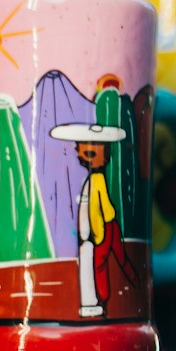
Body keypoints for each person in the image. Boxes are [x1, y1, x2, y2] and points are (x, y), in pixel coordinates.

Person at [50, 122, 137, 317]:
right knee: (121, 261)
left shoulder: (95, 181)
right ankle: (132, 287)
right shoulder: (95, 180)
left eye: (85, 151)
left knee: (100, 266)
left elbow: (99, 210)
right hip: (107, 228)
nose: (79, 154)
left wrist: (93, 236)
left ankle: (103, 302)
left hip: (103, 231)